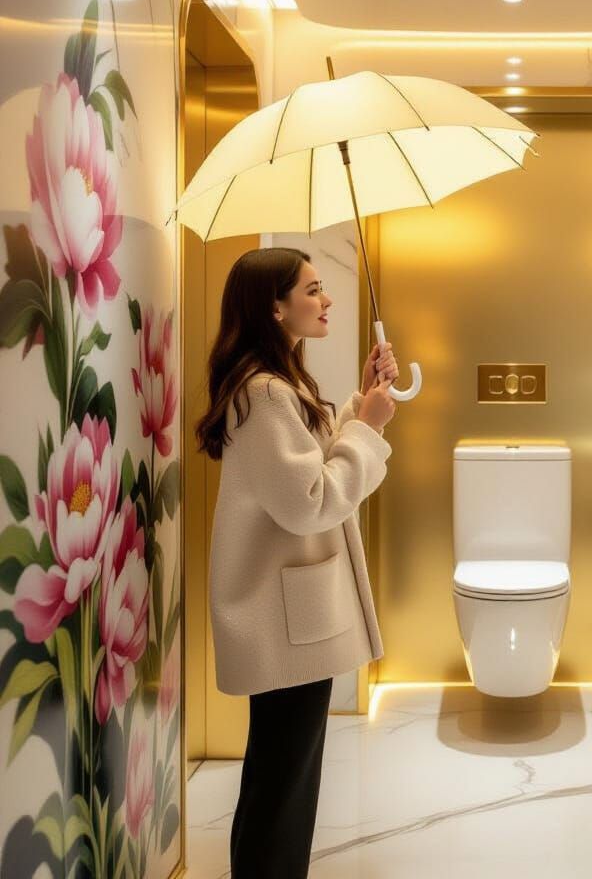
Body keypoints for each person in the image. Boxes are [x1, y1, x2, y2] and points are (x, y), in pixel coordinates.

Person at [194, 246, 398, 878]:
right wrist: (366, 428)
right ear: (274, 307)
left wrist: (363, 405)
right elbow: (310, 503)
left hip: (292, 615)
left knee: (285, 775)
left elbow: (305, 467)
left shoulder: (278, 386)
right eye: (312, 290)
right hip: (284, 619)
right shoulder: (265, 394)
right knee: (282, 783)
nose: (327, 298)